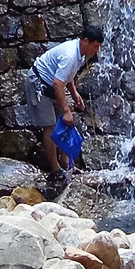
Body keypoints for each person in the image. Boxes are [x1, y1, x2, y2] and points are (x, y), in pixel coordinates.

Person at [23, 25, 104, 191]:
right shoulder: (70, 54)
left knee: (65, 123)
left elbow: (69, 76)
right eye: (95, 47)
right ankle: (55, 170)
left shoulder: (80, 54)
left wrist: (75, 95)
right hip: (39, 84)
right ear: (85, 41)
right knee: (51, 126)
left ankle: (66, 163)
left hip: (53, 86)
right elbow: (58, 83)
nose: (96, 51)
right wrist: (66, 110)